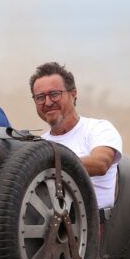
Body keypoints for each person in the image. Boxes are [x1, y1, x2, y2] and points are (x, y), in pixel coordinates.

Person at [29, 62, 122, 209]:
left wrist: (43, 165)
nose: (47, 102)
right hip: (45, 226)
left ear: (73, 94)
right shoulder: (38, 144)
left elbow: (101, 164)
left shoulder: (99, 129)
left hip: (94, 226)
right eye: (40, 97)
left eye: (54, 94)